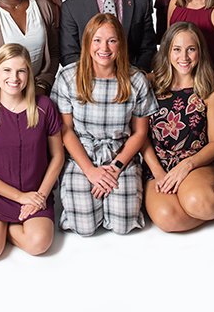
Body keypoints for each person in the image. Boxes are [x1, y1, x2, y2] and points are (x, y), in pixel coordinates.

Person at [50, 14, 158, 236]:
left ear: (121, 44)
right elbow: (66, 130)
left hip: (120, 154)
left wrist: (115, 169)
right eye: (97, 40)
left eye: (112, 40)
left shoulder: (135, 80)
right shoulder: (69, 77)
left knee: (123, 225)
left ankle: (113, 199)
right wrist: (90, 172)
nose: (104, 48)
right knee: (84, 227)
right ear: (87, 42)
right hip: (82, 154)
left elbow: (139, 133)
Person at [0, 44, 66, 260]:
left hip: (34, 189)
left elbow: (57, 157)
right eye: (7, 70)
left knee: (39, 244)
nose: (14, 78)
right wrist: (20, 197)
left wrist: (40, 196)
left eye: (21, 71)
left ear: (29, 74)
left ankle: (1, 229)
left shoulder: (45, 106)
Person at [143, 22, 214, 232]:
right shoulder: (150, 84)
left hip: (198, 163)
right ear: (166, 51)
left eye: (191, 49)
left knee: (197, 202)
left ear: (200, 52)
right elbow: (140, 136)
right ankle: (203, 211)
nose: (184, 57)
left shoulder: (210, 90)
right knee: (168, 218)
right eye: (177, 49)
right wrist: (157, 171)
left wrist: (186, 166)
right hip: (160, 165)